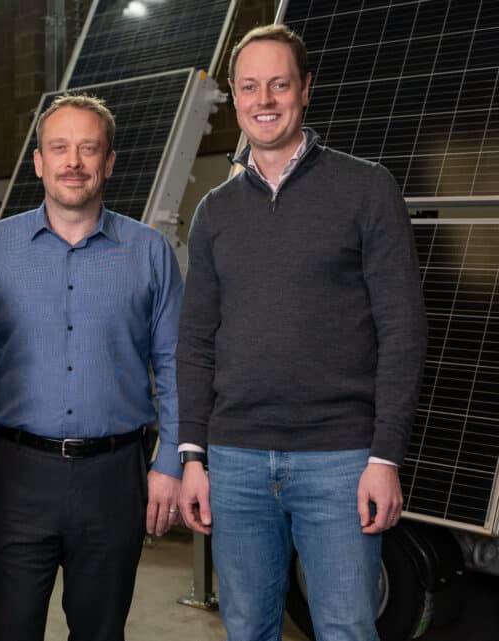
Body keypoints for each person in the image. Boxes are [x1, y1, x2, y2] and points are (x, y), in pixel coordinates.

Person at [176, 24, 427, 641]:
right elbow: (197, 339)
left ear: (305, 89)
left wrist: (384, 456)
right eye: (250, 86)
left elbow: (402, 329)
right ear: (233, 98)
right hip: (234, 462)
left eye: (279, 84)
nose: (265, 100)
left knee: (345, 627)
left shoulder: (367, 189)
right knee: (247, 627)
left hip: (341, 461)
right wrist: (193, 457)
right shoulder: (214, 211)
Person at [0, 94, 184, 641]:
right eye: (59, 148)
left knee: (100, 631)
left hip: (115, 477)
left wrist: (172, 464)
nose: (73, 162)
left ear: (109, 162)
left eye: (89, 149)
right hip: (16, 475)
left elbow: (176, 364)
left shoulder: (151, 252)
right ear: (38, 161)